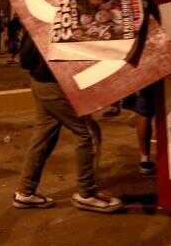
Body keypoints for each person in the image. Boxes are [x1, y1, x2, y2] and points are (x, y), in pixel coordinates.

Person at [13, 31, 123, 213]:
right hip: (56, 85)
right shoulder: (67, 15)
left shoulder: (39, 17)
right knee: (86, 133)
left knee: (43, 136)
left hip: (40, 81)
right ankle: (87, 194)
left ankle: (25, 192)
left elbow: (25, 59)